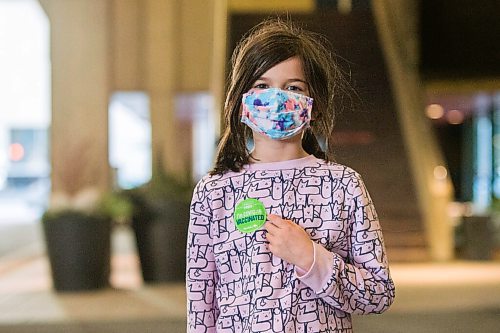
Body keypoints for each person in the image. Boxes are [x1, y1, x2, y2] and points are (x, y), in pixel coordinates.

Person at [186, 18, 395, 333]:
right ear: (241, 99)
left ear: (315, 105)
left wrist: (310, 257)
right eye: (262, 86)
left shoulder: (343, 185)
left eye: (293, 88)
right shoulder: (215, 191)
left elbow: (379, 294)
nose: (276, 99)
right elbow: (201, 308)